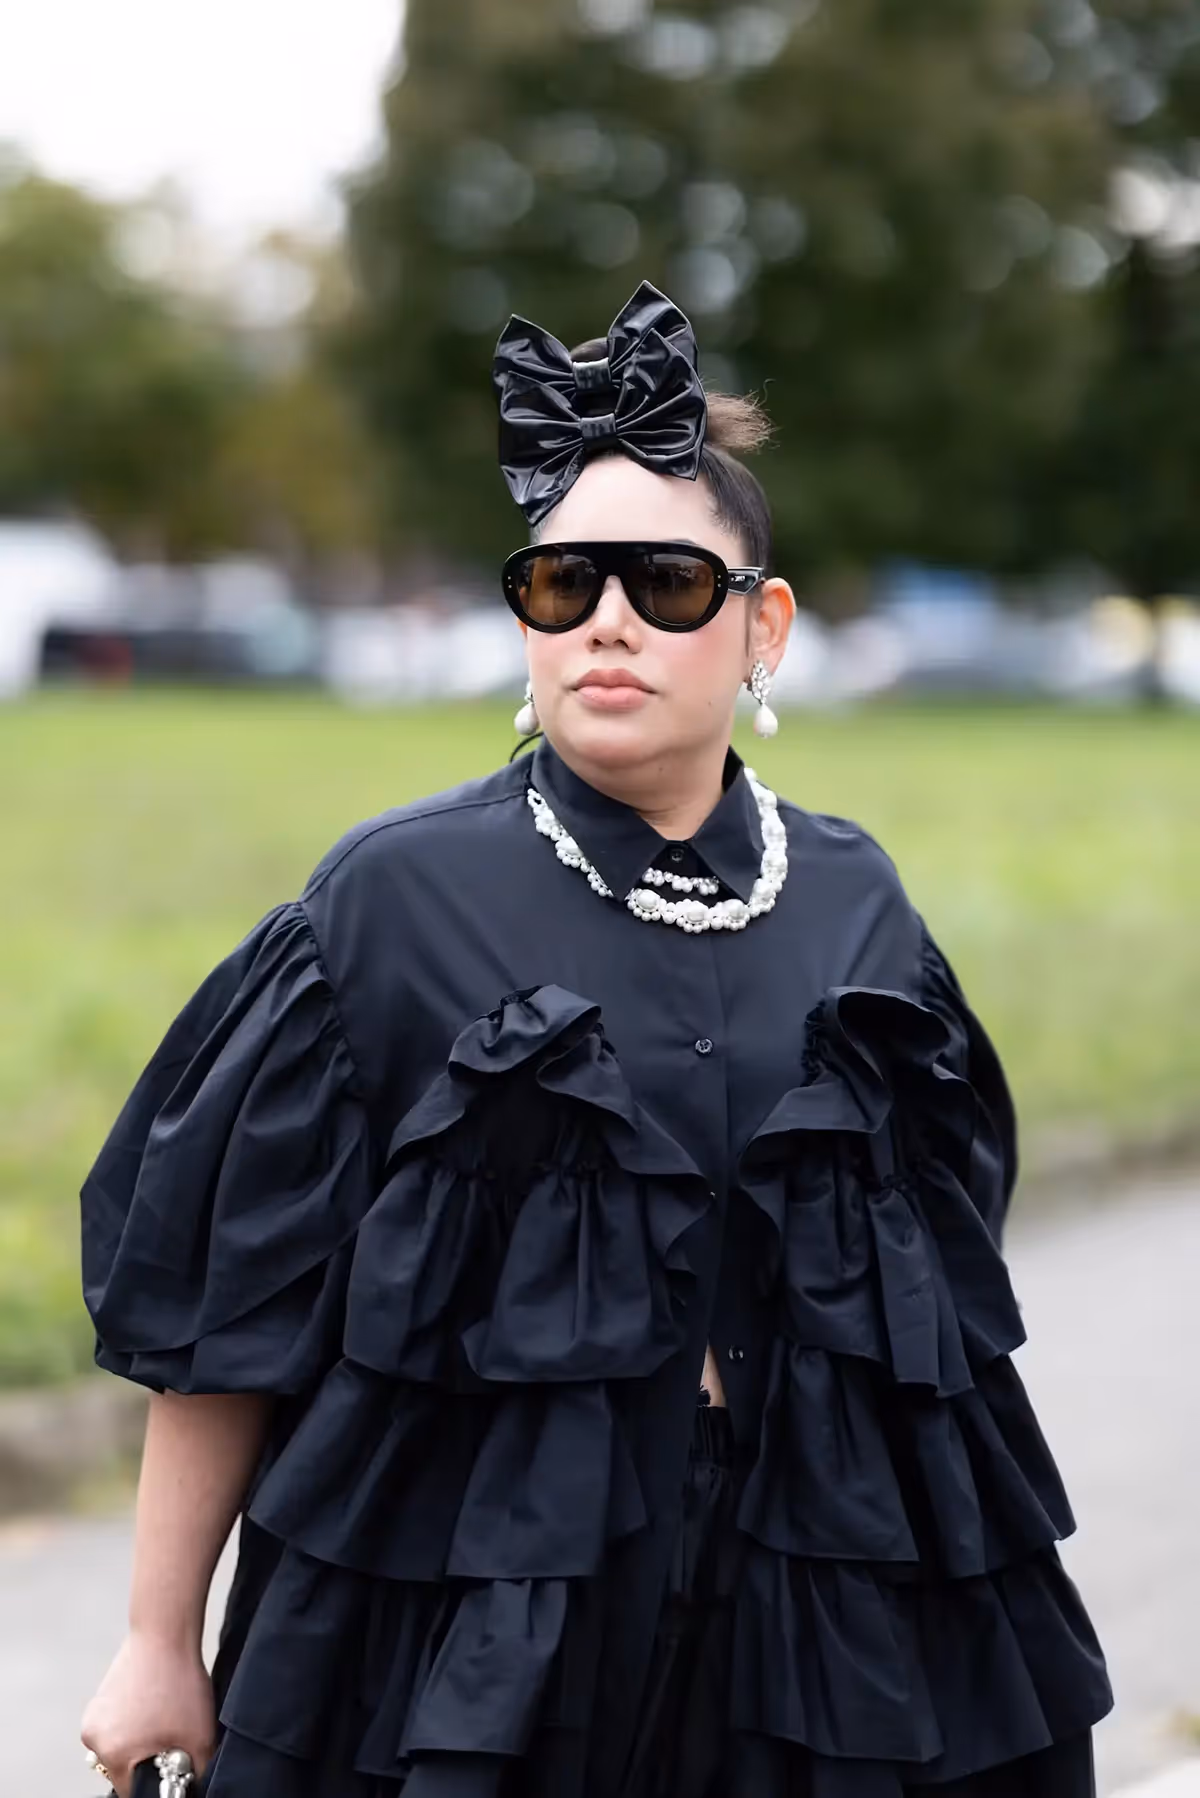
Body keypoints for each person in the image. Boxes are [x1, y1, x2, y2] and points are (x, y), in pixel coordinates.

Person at [79, 282, 1111, 1798]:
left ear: (763, 626)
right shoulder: (389, 902)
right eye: (562, 583)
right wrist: (157, 1638)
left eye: (668, 585)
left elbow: (933, 1293)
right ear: (525, 620)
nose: (609, 622)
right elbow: (232, 1314)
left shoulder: (860, 902)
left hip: (810, 1608)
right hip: (470, 1611)